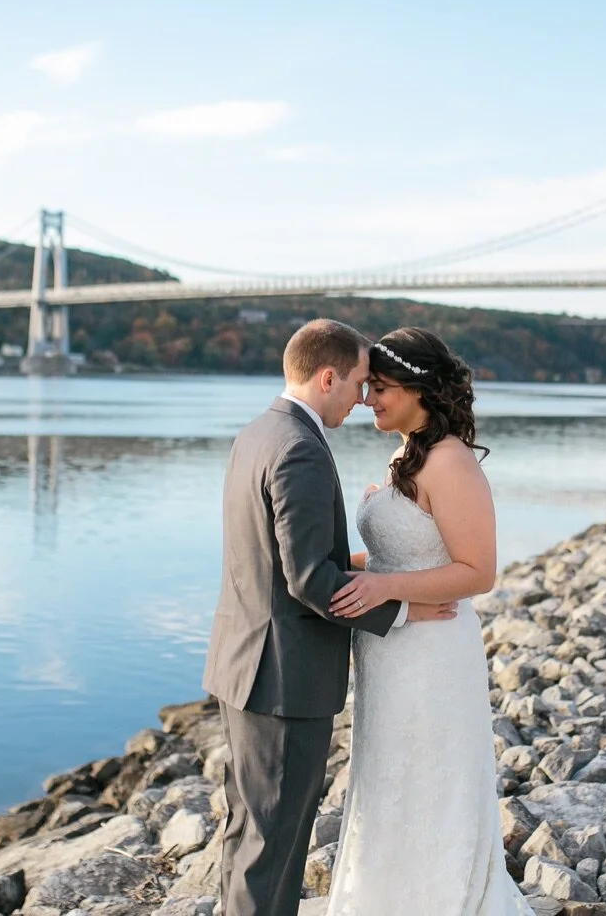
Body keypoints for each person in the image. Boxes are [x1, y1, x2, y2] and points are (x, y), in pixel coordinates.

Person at [202, 318, 457, 916]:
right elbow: (310, 580)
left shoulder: (259, 433)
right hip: (285, 679)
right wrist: (402, 608)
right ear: (327, 377)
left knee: (248, 829)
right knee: (275, 840)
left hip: (241, 664)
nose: (364, 396)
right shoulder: (300, 450)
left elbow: (277, 556)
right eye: (360, 382)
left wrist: (380, 565)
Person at [324, 326, 534, 916]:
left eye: (382, 388)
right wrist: (326, 573)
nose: (369, 400)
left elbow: (477, 570)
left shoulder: (449, 461)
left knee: (426, 776)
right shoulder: (405, 452)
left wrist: (382, 588)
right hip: (391, 646)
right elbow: (401, 554)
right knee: (389, 775)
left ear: (419, 389)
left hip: (432, 649)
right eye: (367, 388)